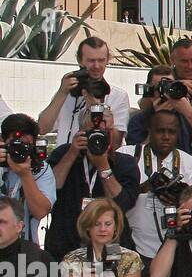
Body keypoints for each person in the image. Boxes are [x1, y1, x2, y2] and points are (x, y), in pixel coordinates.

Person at [46, 105, 139, 262]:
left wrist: (103, 166)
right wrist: (72, 153)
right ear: (81, 131)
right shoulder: (64, 153)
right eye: (94, 132)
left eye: (106, 133)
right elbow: (49, 190)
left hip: (111, 246)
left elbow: (122, 203)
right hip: (66, 241)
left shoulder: (125, 162)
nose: (100, 137)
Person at [119, 109, 192, 263]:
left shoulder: (191, 165)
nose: (166, 137)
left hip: (176, 248)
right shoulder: (127, 155)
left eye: (171, 132)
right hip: (131, 243)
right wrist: (143, 188)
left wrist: (178, 200)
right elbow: (112, 197)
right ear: (149, 130)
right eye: (160, 131)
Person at [37, 37, 131, 144]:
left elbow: (116, 144)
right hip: (65, 159)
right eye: (91, 60)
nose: (96, 66)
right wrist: (61, 93)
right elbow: (42, 128)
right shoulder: (66, 92)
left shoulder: (118, 96)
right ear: (80, 60)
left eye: (101, 60)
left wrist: (96, 108)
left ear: (107, 60)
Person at [0, 114, 56, 244]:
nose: (20, 151)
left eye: (25, 146)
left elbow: (41, 212)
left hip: (24, 246)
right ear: (3, 141)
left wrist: (25, 175)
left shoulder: (40, 168)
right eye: (15, 145)